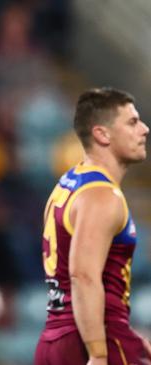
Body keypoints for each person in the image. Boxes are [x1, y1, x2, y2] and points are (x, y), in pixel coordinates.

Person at [34, 88, 151, 365]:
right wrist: (98, 352)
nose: (144, 129)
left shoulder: (68, 184)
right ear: (102, 134)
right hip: (92, 340)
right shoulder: (102, 196)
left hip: (55, 336)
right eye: (132, 122)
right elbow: (83, 275)